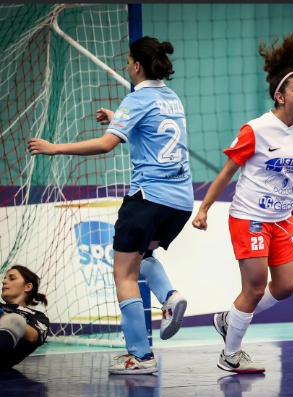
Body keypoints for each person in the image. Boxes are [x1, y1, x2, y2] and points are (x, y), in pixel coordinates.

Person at [28, 36, 193, 374]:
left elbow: (106, 145)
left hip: (148, 198)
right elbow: (153, 130)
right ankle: (170, 297)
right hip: (181, 200)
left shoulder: (138, 98)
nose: (126, 66)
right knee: (142, 258)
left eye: (128, 61)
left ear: (137, 65)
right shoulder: (171, 98)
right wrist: (118, 117)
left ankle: (141, 357)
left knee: (123, 274)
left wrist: (55, 148)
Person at [192, 33, 293, 374]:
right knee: (255, 286)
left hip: (282, 218)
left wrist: (288, 201)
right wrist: (203, 209)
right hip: (250, 216)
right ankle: (230, 354)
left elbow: (287, 174)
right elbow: (227, 173)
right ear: (280, 95)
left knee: (286, 287)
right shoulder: (256, 130)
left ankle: (229, 319)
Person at [0, 265, 50, 370]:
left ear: (28, 287)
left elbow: (33, 336)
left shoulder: (37, 316)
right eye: (4, 279)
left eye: (12, 278)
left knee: (16, 321)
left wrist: (2, 315)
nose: (4, 281)